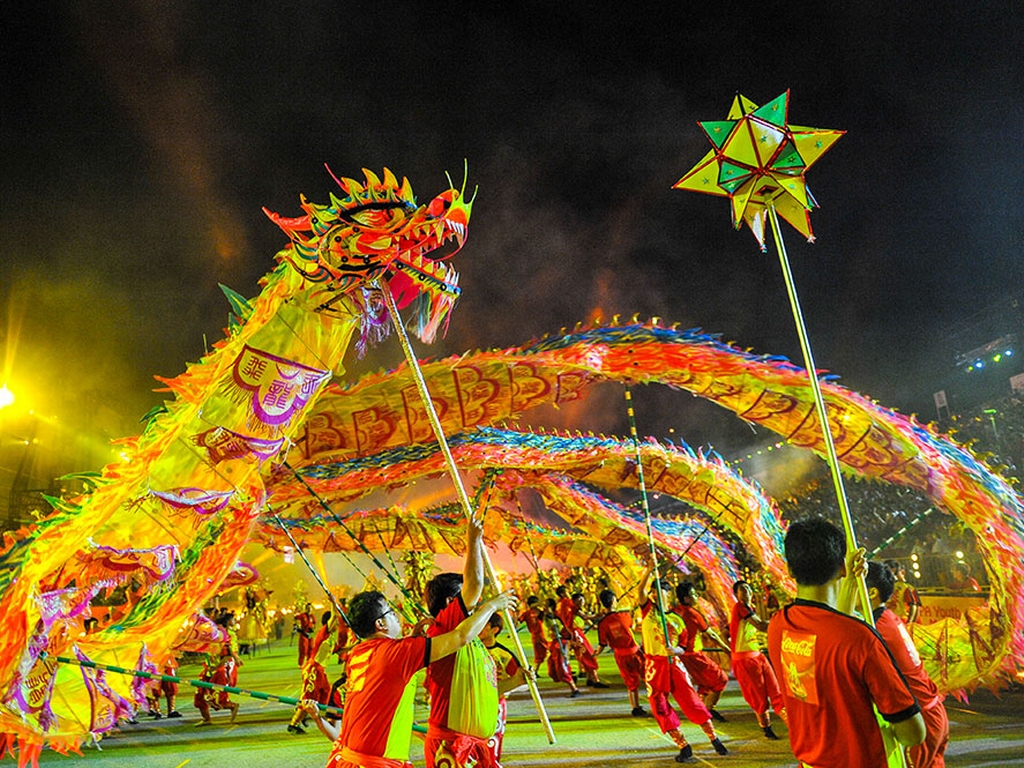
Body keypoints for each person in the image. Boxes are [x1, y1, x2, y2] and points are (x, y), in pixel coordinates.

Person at [767, 518, 926, 768]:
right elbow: (913, 733)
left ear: (790, 569)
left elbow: (828, 630)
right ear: (842, 566)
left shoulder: (778, 626)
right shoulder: (860, 639)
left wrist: (850, 581)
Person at [299, 586, 517, 768]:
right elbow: (460, 637)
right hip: (376, 763)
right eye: (391, 613)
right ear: (380, 624)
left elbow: (387, 674)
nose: (396, 617)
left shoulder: (359, 652)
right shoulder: (396, 653)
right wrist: (490, 606)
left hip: (350, 758)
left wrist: (413, 639)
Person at [423, 517, 514, 768]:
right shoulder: (446, 625)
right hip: (453, 745)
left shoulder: (472, 637)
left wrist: (518, 680)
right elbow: (474, 586)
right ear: (450, 602)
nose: (474, 603)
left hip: (474, 745)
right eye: (465, 598)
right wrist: (473, 540)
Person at [866, 561, 950, 768]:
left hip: (920, 718)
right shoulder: (889, 618)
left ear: (871, 592)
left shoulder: (875, 629)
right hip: (932, 710)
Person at [640, 574, 728, 763]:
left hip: (674, 665)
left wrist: (676, 650)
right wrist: (648, 571)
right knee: (660, 707)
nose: (658, 596)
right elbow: (640, 592)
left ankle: (714, 739)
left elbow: (684, 646)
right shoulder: (647, 611)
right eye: (654, 593)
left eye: (662, 593)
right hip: (655, 667)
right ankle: (683, 745)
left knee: (692, 701)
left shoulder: (676, 620)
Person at [729, 579, 786, 739]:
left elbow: (727, 631)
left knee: (776, 690)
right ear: (736, 594)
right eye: (742, 589)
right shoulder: (740, 607)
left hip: (757, 656)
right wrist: (782, 622)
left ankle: (790, 724)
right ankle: (766, 728)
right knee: (759, 697)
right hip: (746, 660)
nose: (746, 591)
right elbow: (760, 625)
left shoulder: (748, 609)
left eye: (748, 588)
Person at [673, 582, 728, 723]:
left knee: (704, 684)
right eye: (693, 594)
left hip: (681, 655)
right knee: (720, 678)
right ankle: (709, 709)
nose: (697, 596)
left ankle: (700, 710)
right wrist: (727, 649)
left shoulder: (674, 611)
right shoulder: (693, 614)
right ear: (686, 598)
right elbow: (711, 635)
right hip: (694, 655)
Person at [480, 612, 528, 763]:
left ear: (494, 630)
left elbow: (524, 683)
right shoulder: (470, 649)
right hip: (472, 703)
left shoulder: (504, 655)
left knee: (491, 745)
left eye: (483, 625)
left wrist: (507, 687)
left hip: (495, 706)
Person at [595, 588, 647, 717]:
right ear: (613, 601)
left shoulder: (602, 623)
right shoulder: (625, 616)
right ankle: (658, 703)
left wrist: (596, 653)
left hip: (620, 655)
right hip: (634, 653)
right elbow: (632, 628)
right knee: (648, 677)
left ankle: (635, 707)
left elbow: (602, 644)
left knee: (631, 682)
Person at [288, 611, 339, 734]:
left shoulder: (332, 638)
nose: (337, 624)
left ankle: (309, 715)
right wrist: (332, 602)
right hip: (313, 670)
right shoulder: (323, 633)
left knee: (326, 694)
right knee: (308, 698)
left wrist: (355, 646)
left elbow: (339, 650)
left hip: (321, 672)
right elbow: (333, 617)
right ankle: (293, 724)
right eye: (336, 622)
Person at [554, 586, 606, 687]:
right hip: (575, 632)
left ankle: (589, 678)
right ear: (562, 594)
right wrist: (597, 615)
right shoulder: (568, 602)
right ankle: (596, 680)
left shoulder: (559, 605)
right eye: (566, 591)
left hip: (571, 632)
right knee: (588, 653)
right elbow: (583, 615)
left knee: (582, 655)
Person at [543, 598, 580, 697]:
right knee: (552, 670)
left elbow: (564, 631)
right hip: (552, 645)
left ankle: (574, 688)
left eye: (545, 605)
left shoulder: (555, 618)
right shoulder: (545, 617)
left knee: (562, 667)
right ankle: (571, 677)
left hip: (560, 644)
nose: (543, 607)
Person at [885, 559, 922, 624]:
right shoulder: (885, 585)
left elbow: (914, 606)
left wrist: (910, 622)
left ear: (893, 570)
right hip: (888, 619)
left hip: (900, 620)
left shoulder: (905, 587)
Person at [518, 596, 548, 670]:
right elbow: (519, 621)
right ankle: (535, 670)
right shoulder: (527, 613)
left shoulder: (540, 612)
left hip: (543, 635)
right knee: (540, 654)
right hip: (537, 636)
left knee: (545, 653)